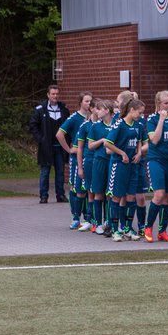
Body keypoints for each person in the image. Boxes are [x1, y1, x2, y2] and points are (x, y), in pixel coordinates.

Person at [102, 97, 146, 241]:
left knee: (131, 196)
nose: (141, 115)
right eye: (139, 112)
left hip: (133, 165)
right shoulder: (119, 124)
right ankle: (115, 229)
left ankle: (128, 227)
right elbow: (108, 143)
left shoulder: (138, 125)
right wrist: (121, 153)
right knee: (116, 196)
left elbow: (139, 141)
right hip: (119, 164)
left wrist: (139, 152)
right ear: (131, 110)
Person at [143, 91, 168, 242]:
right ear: (159, 103)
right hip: (156, 159)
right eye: (166, 103)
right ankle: (148, 227)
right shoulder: (152, 119)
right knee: (158, 195)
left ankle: (162, 231)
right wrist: (161, 119)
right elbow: (155, 140)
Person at [55, 92, 93, 229]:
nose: (89, 104)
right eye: (87, 101)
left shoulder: (93, 119)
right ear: (81, 102)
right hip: (77, 157)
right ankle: (75, 217)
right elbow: (59, 134)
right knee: (76, 186)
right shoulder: (74, 118)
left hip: (89, 156)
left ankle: (89, 217)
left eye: (91, 101)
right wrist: (68, 149)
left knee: (88, 187)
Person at [28, 84, 70, 204]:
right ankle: (43, 196)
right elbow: (33, 125)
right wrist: (40, 139)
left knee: (60, 172)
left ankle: (60, 195)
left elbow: (68, 126)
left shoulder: (64, 109)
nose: (55, 96)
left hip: (60, 146)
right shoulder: (40, 110)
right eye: (53, 94)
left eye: (57, 94)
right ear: (48, 95)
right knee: (45, 172)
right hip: (46, 147)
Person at [76, 99, 112, 234]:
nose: (97, 111)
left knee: (110, 193)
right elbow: (90, 146)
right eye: (96, 109)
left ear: (107, 110)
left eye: (100, 109)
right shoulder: (95, 127)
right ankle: (96, 223)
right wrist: (102, 141)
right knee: (97, 192)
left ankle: (109, 222)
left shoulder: (116, 125)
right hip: (98, 161)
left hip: (112, 161)